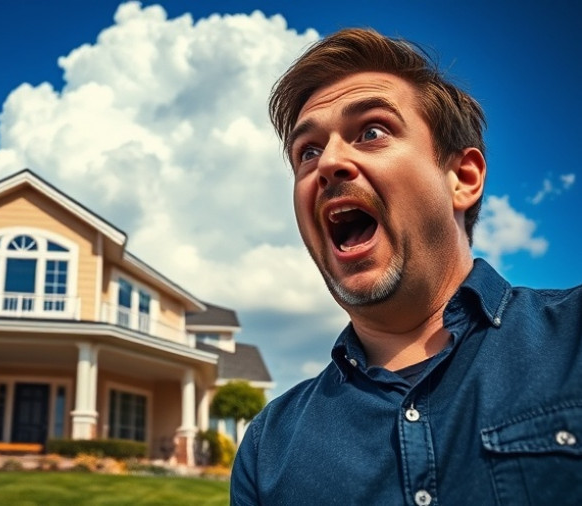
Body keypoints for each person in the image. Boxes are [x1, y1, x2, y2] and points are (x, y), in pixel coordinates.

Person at [231, 28, 582, 505]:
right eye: (307, 152)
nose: (329, 162)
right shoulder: (266, 450)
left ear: (462, 178)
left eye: (372, 132)